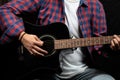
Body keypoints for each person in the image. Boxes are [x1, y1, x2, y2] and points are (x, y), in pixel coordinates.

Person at [0, 0, 120, 80]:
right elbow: (4, 10)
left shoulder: (95, 5)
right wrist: (22, 36)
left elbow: (99, 52)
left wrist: (112, 48)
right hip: (44, 73)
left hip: (83, 73)